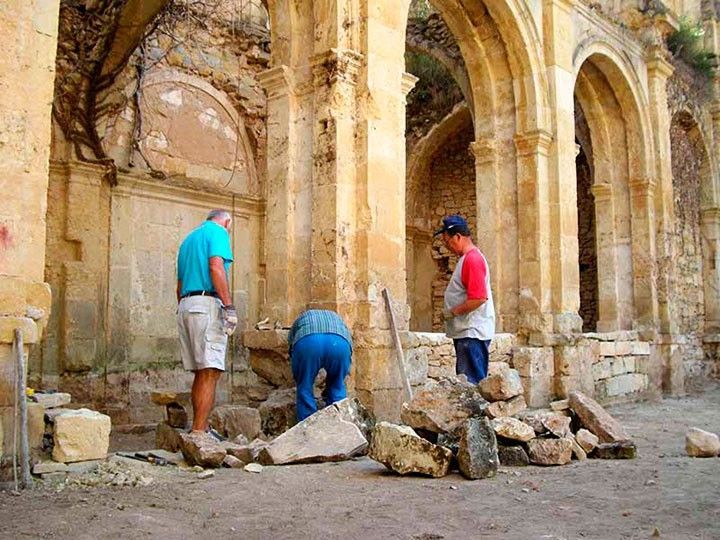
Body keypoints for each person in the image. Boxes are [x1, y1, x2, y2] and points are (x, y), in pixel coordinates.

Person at [176, 209, 237, 437]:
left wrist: (185, 308)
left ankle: (199, 427)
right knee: (210, 370)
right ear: (226, 221)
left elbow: (179, 285)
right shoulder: (218, 232)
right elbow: (216, 267)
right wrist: (228, 305)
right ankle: (199, 432)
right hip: (206, 303)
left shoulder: (188, 240)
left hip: (186, 305)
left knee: (201, 372)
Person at [434, 214, 495, 384]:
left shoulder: (472, 259)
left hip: (471, 333)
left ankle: (477, 411)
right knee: (467, 382)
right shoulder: (466, 259)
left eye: (448, 242)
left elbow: (478, 298)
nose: (448, 247)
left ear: (458, 237)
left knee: (471, 384)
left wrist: (452, 312)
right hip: (467, 332)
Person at [287, 309, 353, 421]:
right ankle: (339, 423)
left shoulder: (301, 319)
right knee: (337, 385)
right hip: (340, 343)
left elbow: (291, 345)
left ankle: (308, 427)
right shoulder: (336, 317)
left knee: (305, 387)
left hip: (308, 342)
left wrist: (299, 370)